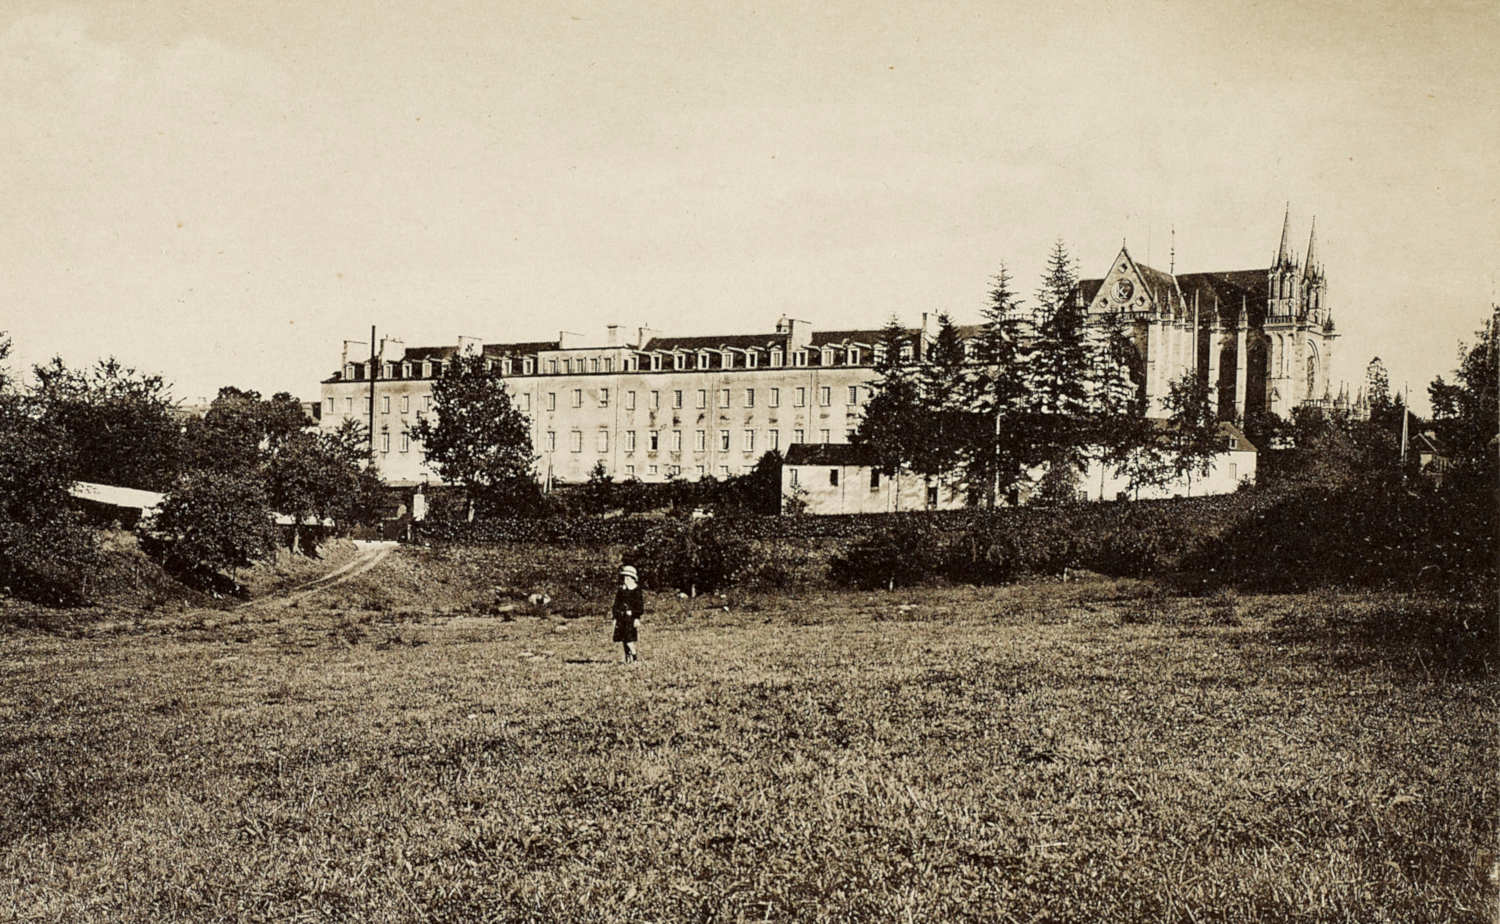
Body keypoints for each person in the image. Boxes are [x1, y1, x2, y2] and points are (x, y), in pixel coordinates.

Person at [611, 556, 644, 663]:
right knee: (623, 639)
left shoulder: (636, 591)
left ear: (633, 579)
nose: (626, 580)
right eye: (624, 578)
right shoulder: (621, 591)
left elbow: (639, 606)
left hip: (630, 618)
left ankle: (634, 655)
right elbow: (616, 604)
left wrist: (636, 617)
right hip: (621, 617)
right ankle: (627, 658)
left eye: (628, 578)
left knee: (629, 638)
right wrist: (615, 617)